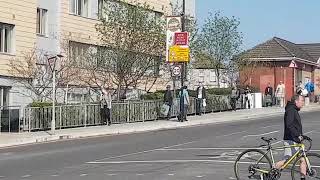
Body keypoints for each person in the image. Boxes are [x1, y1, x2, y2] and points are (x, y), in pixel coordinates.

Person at [275, 95, 306, 180]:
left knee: (303, 160)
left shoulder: (294, 110)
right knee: (286, 161)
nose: (303, 102)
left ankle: (303, 178)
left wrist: (301, 136)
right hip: (290, 139)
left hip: (296, 139)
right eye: (302, 100)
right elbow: (289, 125)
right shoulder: (291, 110)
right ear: (296, 101)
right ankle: (272, 171)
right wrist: (297, 135)